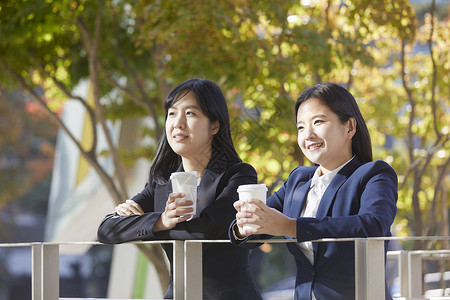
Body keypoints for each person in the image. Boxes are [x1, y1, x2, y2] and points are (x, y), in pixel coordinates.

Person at [230, 82, 398, 300]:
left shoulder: (374, 174)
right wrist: (244, 224)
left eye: (318, 122)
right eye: (300, 127)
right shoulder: (298, 180)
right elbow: (261, 227)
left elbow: (372, 225)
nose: (307, 135)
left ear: (349, 127)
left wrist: (291, 226)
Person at [98, 78, 262, 300]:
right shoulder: (162, 181)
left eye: (190, 113)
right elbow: (107, 229)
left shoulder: (238, 174)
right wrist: (161, 220)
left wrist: (153, 224)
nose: (178, 123)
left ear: (215, 125)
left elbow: (207, 228)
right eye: (172, 113)